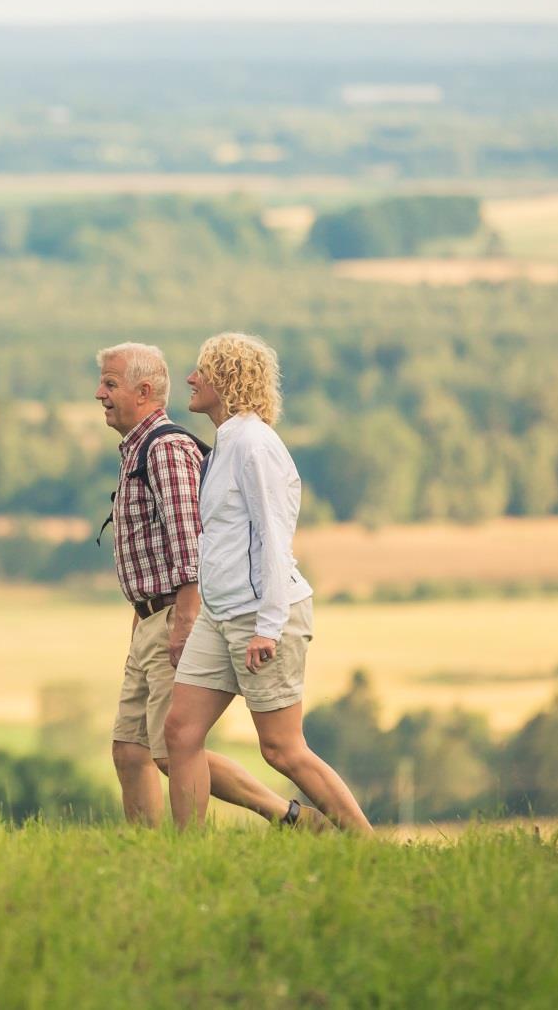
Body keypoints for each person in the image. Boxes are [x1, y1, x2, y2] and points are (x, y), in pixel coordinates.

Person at [96, 341, 329, 830]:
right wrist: (140, 618)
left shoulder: (166, 450)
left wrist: (180, 621)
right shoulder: (142, 449)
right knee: (130, 748)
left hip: (176, 617)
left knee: (173, 747)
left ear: (143, 391)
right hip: (150, 618)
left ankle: (288, 816)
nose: (100, 393)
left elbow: (190, 547)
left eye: (110, 384)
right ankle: (147, 855)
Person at [164, 332, 373, 833]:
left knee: (282, 748)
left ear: (228, 380)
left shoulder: (255, 445)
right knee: (179, 733)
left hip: (261, 616)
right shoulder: (227, 443)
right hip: (220, 615)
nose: (190, 380)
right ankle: (184, 854)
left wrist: (269, 626)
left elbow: (275, 539)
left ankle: (368, 844)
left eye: (202, 371)